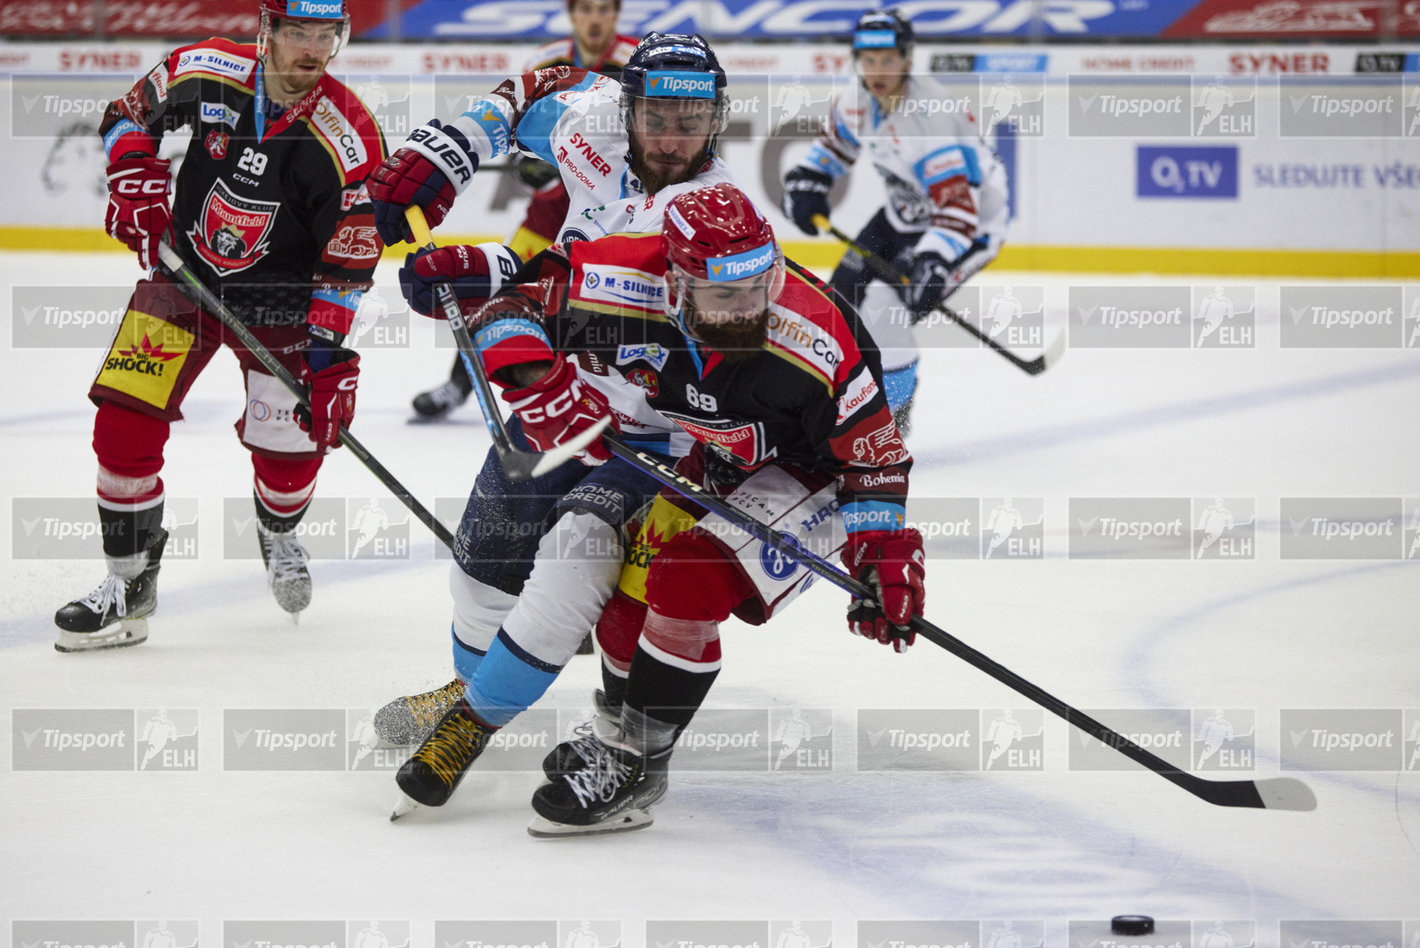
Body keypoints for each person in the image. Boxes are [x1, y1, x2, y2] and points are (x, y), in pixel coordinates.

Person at [392, 184, 925, 837]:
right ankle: (621, 734)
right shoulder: (622, 283)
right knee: (626, 587)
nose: (746, 312)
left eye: (759, 289)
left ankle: (638, 762)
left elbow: (872, 461)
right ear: (674, 284)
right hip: (710, 458)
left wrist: (884, 560)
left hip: (809, 474)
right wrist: (544, 387)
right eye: (723, 296)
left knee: (687, 577)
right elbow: (512, 308)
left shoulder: (816, 342)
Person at [365, 34, 738, 754]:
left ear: (716, 119)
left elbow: (598, 284)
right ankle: (469, 690)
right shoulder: (592, 120)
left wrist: (489, 270)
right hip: (561, 397)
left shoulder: (716, 211)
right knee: (484, 568)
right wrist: (451, 148)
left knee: (602, 589)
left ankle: (626, 741)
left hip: (663, 432)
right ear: (625, 108)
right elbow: (536, 90)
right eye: (656, 116)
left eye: (691, 120)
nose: (671, 138)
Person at [53, 0, 386, 653]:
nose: (312, 49)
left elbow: (347, 267)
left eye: (327, 34)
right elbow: (127, 114)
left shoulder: (350, 138)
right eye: (298, 32)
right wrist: (131, 178)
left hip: (283, 307)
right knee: (123, 419)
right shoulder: (208, 68)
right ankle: (128, 586)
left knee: (290, 459)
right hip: (184, 282)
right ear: (267, 29)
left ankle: (279, 530)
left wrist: (328, 354)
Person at [408, 0, 641, 420]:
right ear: (572, 15)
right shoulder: (545, 61)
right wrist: (538, 172)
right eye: (586, 9)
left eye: (604, 9)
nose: (595, 18)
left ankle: (618, 399)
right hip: (550, 213)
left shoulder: (635, 62)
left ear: (616, 15)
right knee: (504, 291)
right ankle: (460, 385)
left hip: (613, 211)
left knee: (607, 298)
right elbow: (516, 133)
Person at [781, 8, 1009, 433]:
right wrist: (809, 181)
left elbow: (959, 210)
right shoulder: (855, 99)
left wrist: (934, 260)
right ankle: (842, 409)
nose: (877, 70)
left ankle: (891, 425)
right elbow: (832, 151)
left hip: (971, 225)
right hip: (904, 213)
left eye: (887, 59)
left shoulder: (931, 117)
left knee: (886, 310)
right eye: (868, 59)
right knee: (841, 305)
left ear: (907, 59)